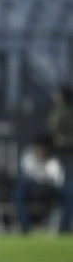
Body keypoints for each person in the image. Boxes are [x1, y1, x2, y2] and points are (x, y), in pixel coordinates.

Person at [13, 134, 63, 234]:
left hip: (48, 190)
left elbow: (56, 179)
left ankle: (63, 228)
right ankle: (25, 226)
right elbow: (27, 173)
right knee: (19, 192)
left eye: (43, 148)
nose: (41, 150)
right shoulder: (29, 157)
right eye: (39, 147)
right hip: (31, 188)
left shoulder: (54, 161)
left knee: (67, 192)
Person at [48, 85, 73, 233]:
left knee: (67, 193)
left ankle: (64, 225)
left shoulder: (60, 113)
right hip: (65, 160)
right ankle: (64, 224)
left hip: (64, 160)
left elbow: (55, 137)